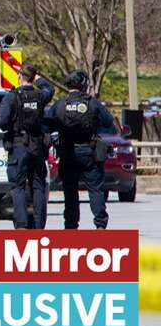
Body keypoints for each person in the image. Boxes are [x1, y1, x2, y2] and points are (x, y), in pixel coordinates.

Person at [45, 70, 114, 229]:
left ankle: (70, 226)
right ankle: (100, 225)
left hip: (68, 153)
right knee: (95, 190)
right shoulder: (92, 102)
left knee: (70, 192)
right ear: (82, 85)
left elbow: (46, 123)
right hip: (89, 152)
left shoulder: (60, 104)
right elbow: (108, 121)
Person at [0, 64, 55, 229]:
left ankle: (21, 225)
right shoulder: (41, 95)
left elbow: (1, 121)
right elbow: (50, 88)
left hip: (19, 145)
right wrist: (37, 78)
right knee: (38, 185)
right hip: (37, 146)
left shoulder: (12, 97)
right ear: (33, 79)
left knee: (18, 186)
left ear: (20, 77)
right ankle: (39, 226)